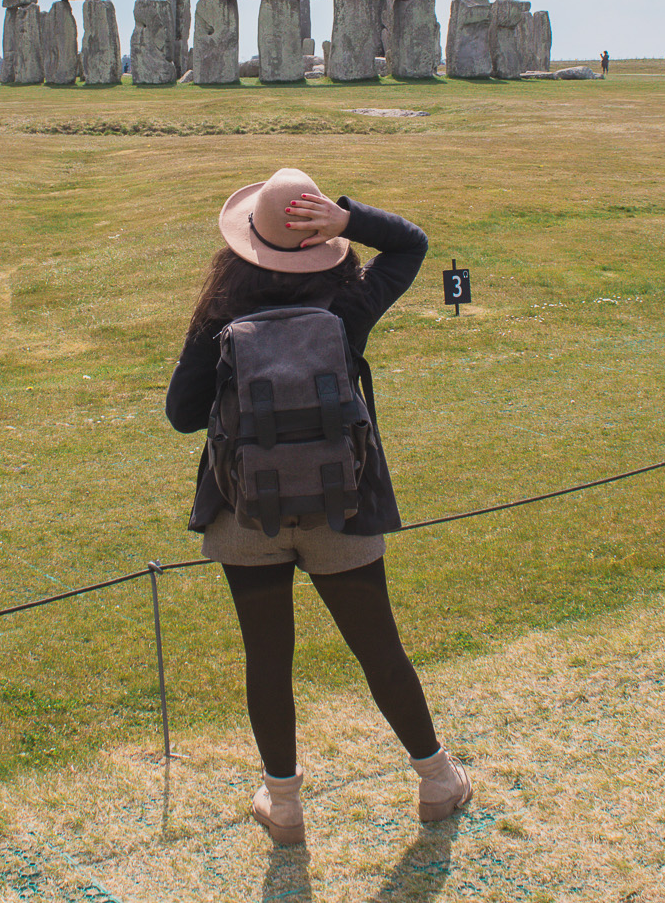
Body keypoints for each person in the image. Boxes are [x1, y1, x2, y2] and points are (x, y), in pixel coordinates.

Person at [165, 167, 471, 846]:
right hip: (343, 505)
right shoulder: (346, 305)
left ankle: (284, 805)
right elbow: (413, 244)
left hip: (245, 512)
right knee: (379, 647)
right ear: (321, 238)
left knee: (267, 657)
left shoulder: (221, 313)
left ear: (247, 240)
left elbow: (181, 414)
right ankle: (436, 779)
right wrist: (351, 219)